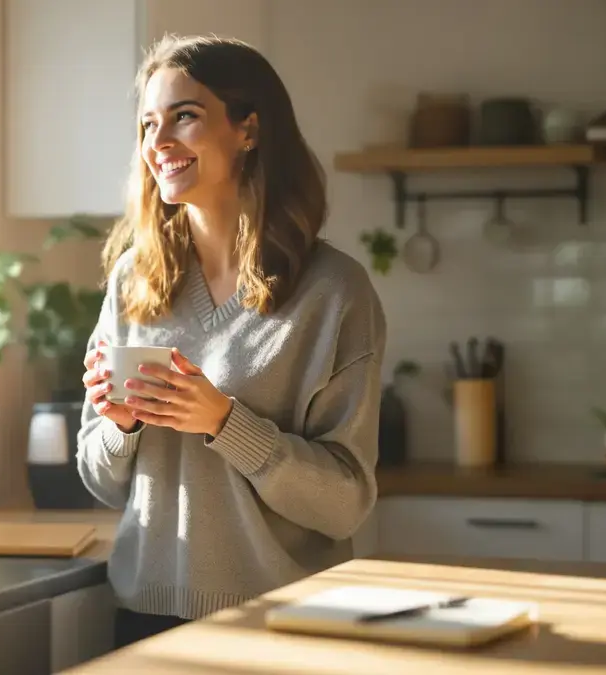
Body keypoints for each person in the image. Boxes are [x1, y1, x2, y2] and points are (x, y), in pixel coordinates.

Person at [76, 34, 387, 649]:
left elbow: (346, 502)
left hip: (286, 625)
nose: (158, 143)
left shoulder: (334, 292)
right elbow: (102, 480)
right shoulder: (134, 281)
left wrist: (224, 422)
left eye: (184, 117)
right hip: (146, 617)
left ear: (248, 129)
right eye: (148, 124)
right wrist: (121, 427)